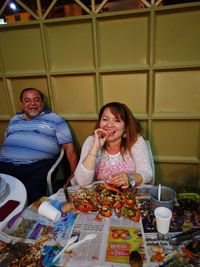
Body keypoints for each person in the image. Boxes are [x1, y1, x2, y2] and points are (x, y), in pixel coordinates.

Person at [0, 88, 78, 204]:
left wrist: (73, 174)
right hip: (4, 165)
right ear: (21, 104)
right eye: (27, 100)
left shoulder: (55, 120)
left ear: (42, 103)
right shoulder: (14, 120)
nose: (32, 103)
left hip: (35, 167)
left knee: (30, 201)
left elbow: (69, 148)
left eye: (36, 100)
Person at [71, 102, 153, 188]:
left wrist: (130, 179)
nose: (109, 125)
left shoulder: (135, 141)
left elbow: (147, 173)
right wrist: (95, 147)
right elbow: (82, 181)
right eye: (105, 119)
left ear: (125, 126)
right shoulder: (91, 140)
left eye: (117, 120)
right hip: (98, 196)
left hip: (129, 196)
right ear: (100, 122)